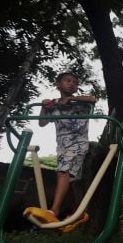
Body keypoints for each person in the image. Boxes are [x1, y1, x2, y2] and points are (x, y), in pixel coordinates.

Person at [38, 72, 96, 219]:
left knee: (63, 173)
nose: (72, 84)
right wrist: (44, 107)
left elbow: (92, 99)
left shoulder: (81, 102)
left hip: (78, 143)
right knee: (67, 178)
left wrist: (71, 98)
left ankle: (54, 210)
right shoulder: (54, 104)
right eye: (68, 81)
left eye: (75, 82)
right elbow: (42, 122)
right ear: (58, 84)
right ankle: (78, 212)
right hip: (62, 145)